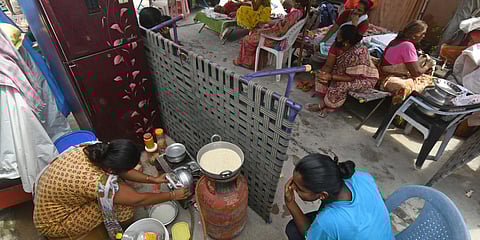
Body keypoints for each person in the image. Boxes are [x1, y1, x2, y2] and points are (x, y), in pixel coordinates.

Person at [33, 140, 190, 239]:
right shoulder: (95, 182)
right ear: (110, 169)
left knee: (120, 192)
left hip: (52, 197)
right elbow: (138, 199)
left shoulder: (97, 149)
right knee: (123, 207)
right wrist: (172, 195)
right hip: (54, 221)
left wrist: (153, 179)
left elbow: (122, 170)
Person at [284, 153, 394, 240]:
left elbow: (309, 235)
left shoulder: (329, 220)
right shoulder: (362, 177)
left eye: (299, 189)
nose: (292, 187)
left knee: (293, 229)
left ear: (323, 195)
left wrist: (290, 203)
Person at [306, 25, 379, 117]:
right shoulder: (336, 45)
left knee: (341, 85)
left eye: (339, 35)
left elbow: (351, 77)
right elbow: (329, 64)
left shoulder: (358, 52)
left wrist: (331, 76)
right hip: (344, 72)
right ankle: (326, 99)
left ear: (347, 41)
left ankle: (327, 106)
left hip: (364, 78)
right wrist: (323, 74)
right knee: (321, 74)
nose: (337, 36)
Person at [233, 0, 306, 69]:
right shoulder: (299, 13)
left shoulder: (294, 14)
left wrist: (275, 26)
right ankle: (257, 63)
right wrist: (276, 23)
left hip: (276, 39)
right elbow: (284, 24)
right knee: (256, 32)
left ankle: (246, 63)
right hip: (279, 36)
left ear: (297, 3)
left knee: (247, 39)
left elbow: (283, 31)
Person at [379, 20, 435, 108]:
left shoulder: (396, 41)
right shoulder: (408, 46)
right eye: (422, 34)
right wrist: (428, 65)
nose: (423, 36)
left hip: (384, 72)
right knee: (431, 84)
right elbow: (415, 73)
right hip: (390, 76)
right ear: (414, 35)